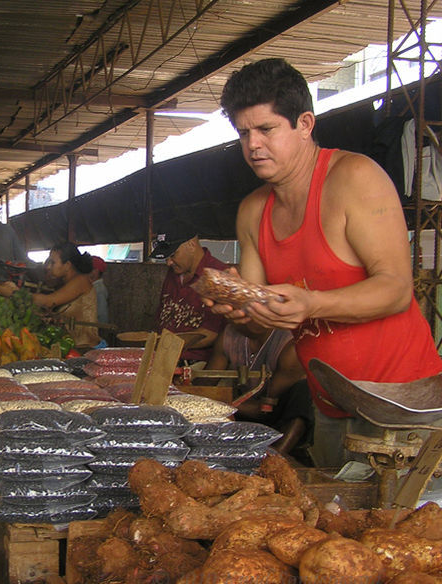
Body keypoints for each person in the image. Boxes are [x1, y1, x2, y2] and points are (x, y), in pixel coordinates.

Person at [210, 57, 442, 467]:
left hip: (403, 406)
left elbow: (395, 289)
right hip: (330, 404)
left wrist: (311, 303)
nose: (253, 145)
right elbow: (262, 322)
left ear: (304, 124)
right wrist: (237, 309)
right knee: (339, 522)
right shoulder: (252, 211)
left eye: (266, 129)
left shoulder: (355, 178)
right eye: (243, 132)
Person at [206, 324, 314, 457]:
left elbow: (264, 411)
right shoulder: (228, 336)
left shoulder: (289, 345)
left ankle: (276, 456)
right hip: (245, 409)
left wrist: (221, 404)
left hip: (277, 415)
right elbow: (205, 382)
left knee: (303, 392)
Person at [0, 242, 101, 348]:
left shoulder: (81, 281)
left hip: (86, 347)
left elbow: (48, 301)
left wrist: (13, 293)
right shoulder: (63, 283)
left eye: (52, 263)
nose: (48, 267)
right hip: (70, 346)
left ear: (67, 265)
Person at [151, 226, 230, 364]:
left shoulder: (218, 275)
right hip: (163, 357)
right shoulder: (173, 273)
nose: (168, 262)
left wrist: (164, 343)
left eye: (173, 255)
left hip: (196, 363)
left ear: (191, 245)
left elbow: (210, 334)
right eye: (166, 258)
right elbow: (161, 314)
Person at [89, 255, 109, 325]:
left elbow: (102, 314)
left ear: (96, 271)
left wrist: (102, 329)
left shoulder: (99, 290)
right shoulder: (92, 287)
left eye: (91, 268)